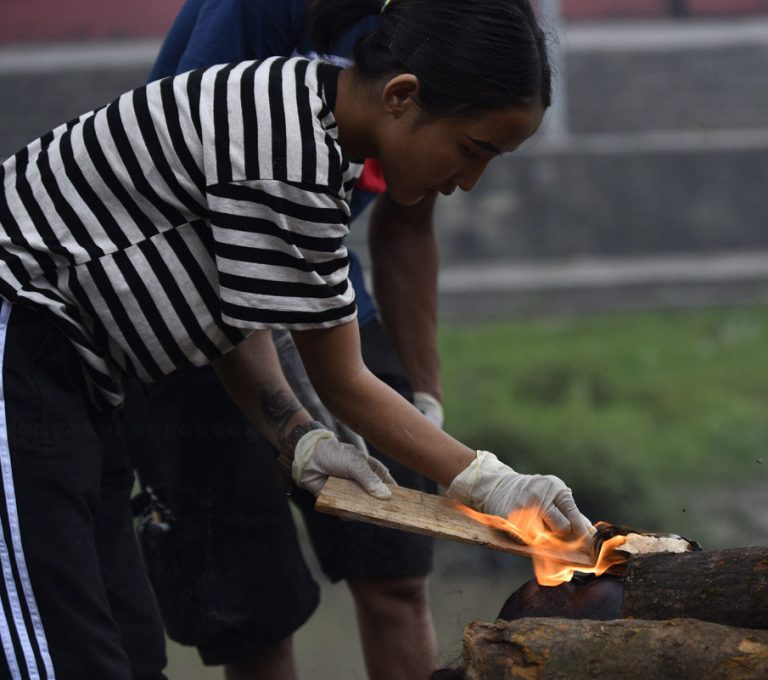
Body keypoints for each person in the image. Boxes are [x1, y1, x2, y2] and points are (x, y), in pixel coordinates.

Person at [0, 0, 593, 678]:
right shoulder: (287, 146)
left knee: (130, 650)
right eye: (473, 150)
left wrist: (297, 434)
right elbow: (347, 381)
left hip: (86, 383)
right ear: (402, 96)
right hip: (21, 347)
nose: (466, 182)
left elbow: (231, 308)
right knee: (56, 652)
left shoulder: (316, 137)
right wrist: (493, 483)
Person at [125, 1, 442, 679]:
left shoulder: (453, 36)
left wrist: (424, 396)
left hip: (324, 293)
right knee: (255, 610)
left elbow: (410, 220)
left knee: (397, 563)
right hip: (193, 308)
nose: (469, 177)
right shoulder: (262, 12)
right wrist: (297, 418)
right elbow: (190, 193)